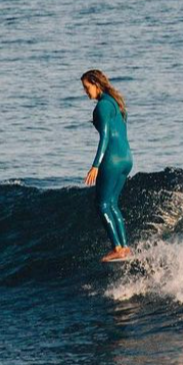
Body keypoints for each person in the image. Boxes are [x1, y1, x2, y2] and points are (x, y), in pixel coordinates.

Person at [81, 69, 134, 262]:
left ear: (96, 83)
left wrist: (95, 165)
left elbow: (104, 136)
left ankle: (117, 247)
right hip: (127, 158)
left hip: (111, 159)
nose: (86, 92)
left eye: (87, 87)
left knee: (102, 204)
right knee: (112, 203)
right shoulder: (117, 104)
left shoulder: (103, 106)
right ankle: (125, 247)